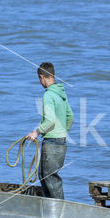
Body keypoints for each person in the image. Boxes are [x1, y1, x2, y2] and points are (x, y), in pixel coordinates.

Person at [26, 62, 74, 199]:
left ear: (42, 77)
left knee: (49, 177)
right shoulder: (61, 93)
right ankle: (51, 207)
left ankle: (59, 209)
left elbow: (50, 121)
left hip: (52, 142)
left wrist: (36, 132)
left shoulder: (48, 95)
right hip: (61, 141)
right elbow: (70, 116)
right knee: (43, 175)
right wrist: (63, 132)